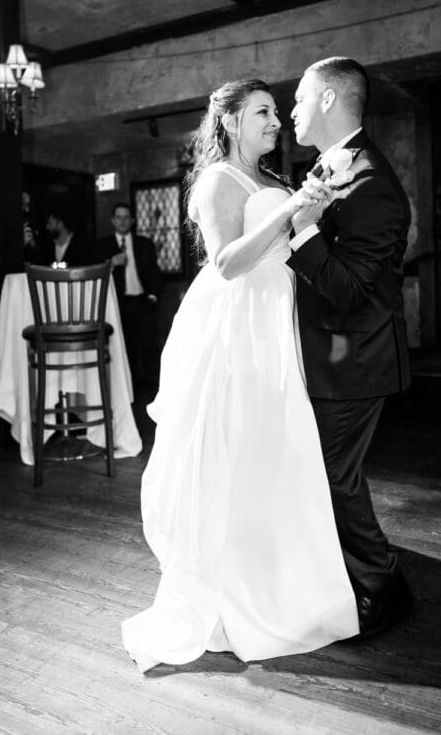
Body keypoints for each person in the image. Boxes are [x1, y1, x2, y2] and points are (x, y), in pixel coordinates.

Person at [121, 79, 359, 672]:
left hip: (276, 320)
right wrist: (287, 210)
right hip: (235, 325)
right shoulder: (216, 181)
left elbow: (289, 239)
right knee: (238, 447)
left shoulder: (274, 181)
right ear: (228, 121)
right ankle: (233, 593)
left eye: (278, 112)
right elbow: (227, 263)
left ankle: (284, 584)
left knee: (277, 448)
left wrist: (310, 205)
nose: (276, 121)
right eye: (263, 112)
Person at [288, 56, 413, 637]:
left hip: (355, 356)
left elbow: (348, 290)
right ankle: (343, 570)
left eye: (299, 99)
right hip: (328, 353)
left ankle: (382, 585)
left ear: (331, 100)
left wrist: (304, 229)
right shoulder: (329, 168)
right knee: (325, 474)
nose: (292, 111)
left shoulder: (370, 184)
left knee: (334, 476)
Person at [94, 203, 161, 392]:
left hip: (142, 302)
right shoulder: (103, 246)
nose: (122, 221)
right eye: (118, 217)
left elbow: (155, 272)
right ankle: (131, 392)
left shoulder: (144, 243)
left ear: (131, 220)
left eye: (126, 217)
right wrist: (111, 263)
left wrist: (153, 297)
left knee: (149, 348)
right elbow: (94, 271)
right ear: (113, 220)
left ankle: (155, 393)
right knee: (125, 349)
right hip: (118, 305)